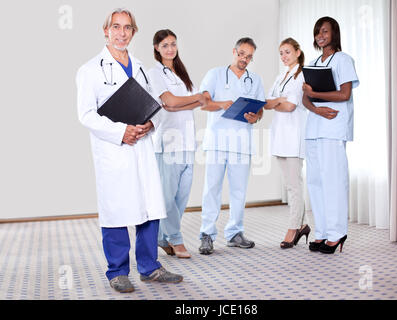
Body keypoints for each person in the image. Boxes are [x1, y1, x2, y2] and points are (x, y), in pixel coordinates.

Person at [76, 8, 183, 293]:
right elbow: (86, 115)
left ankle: (150, 267)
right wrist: (121, 131)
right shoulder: (90, 70)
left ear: (134, 32)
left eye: (127, 28)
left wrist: (150, 122)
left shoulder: (139, 67)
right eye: (116, 27)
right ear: (105, 30)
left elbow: (154, 105)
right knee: (117, 210)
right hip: (115, 151)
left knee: (150, 208)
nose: (121, 33)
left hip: (142, 147)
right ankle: (118, 271)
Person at [198, 37, 265, 255]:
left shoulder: (255, 80)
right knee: (212, 189)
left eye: (249, 57)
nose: (245, 59)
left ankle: (235, 233)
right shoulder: (215, 74)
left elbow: (260, 109)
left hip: (241, 143)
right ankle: (207, 234)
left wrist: (256, 117)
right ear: (234, 51)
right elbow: (204, 103)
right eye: (242, 54)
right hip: (217, 141)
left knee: (239, 191)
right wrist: (221, 104)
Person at [302, 16, 359, 254]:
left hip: (333, 127)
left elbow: (344, 94)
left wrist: (318, 95)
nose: (320, 36)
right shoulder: (314, 62)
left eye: (324, 31)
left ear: (334, 33)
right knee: (315, 182)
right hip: (314, 128)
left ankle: (337, 234)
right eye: (317, 32)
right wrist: (315, 106)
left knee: (334, 181)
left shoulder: (344, 60)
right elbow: (305, 96)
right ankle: (323, 232)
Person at [148, 29, 207, 259]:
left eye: (173, 44)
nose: (170, 48)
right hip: (168, 141)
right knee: (167, 195)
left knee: (181, 196)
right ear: (157, 48)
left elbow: (185, 104)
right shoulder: (155, 73)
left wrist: (179, 104)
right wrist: (195, 98)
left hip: (187, 141)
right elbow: (169, 101)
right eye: (165, 45)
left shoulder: (181, 73)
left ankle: (163, 238)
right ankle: (176, 239)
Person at [264, 38, 310, 249]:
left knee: (294, 185)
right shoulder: (281, 75)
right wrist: (277, 102)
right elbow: (268, 102)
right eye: (281, 52)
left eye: (288, 52)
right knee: (289, 184)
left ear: (298, 52)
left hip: (293, 135)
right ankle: (301, 225)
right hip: (281, 135)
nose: (284, 56)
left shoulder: (302, 75)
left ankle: (294, 228)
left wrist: (277, 102)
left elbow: (290, 106)